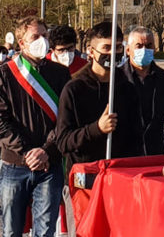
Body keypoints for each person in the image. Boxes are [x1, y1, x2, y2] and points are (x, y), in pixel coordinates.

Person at [0, 16, 70, 237]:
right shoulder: (4, 73)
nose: (43, 40)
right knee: (11, 230)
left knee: (45, 231)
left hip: (49, 164)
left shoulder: (60, 73)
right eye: (36, 36)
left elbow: (66, 119)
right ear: (22, 43)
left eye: (45, 35)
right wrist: (27, 152)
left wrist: (46, 151)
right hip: (14, 164)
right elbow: (1, 122)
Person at [55, 22, 142, 173]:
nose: (113, 53)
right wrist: (97, 129)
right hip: (85, 175)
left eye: (118, 47)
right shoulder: (74, 89)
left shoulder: (127, 88)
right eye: (106, 48)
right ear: (91, 51)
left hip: (118, 175)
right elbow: (63, 142)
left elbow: (136, 138)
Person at [120, 26, 164, 155]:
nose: (144, 50)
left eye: (148, 46)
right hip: (123, 155)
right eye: (139, 46)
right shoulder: (117, 79)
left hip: (154, 154)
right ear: (128, 50)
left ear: (154, 49)